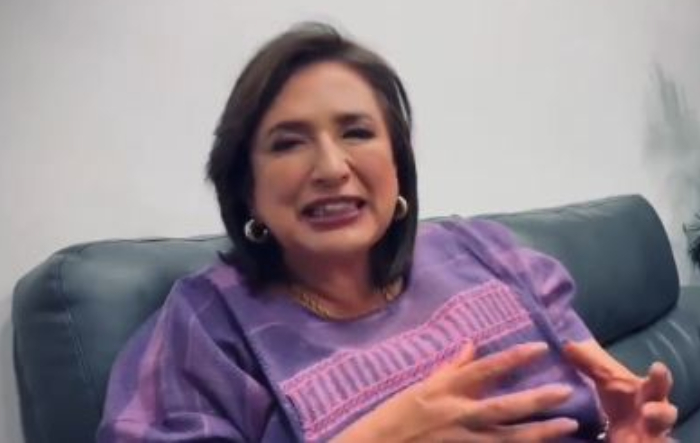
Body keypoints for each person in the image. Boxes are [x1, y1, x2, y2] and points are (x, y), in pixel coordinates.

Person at [97, 23, 677, 442]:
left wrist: (623, 433)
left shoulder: (489, 254)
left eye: (356, 132)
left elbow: (605, 405)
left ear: (398, 164)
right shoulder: (206, 326)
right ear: (246, 187)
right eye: (288, 142)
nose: (330, 168)